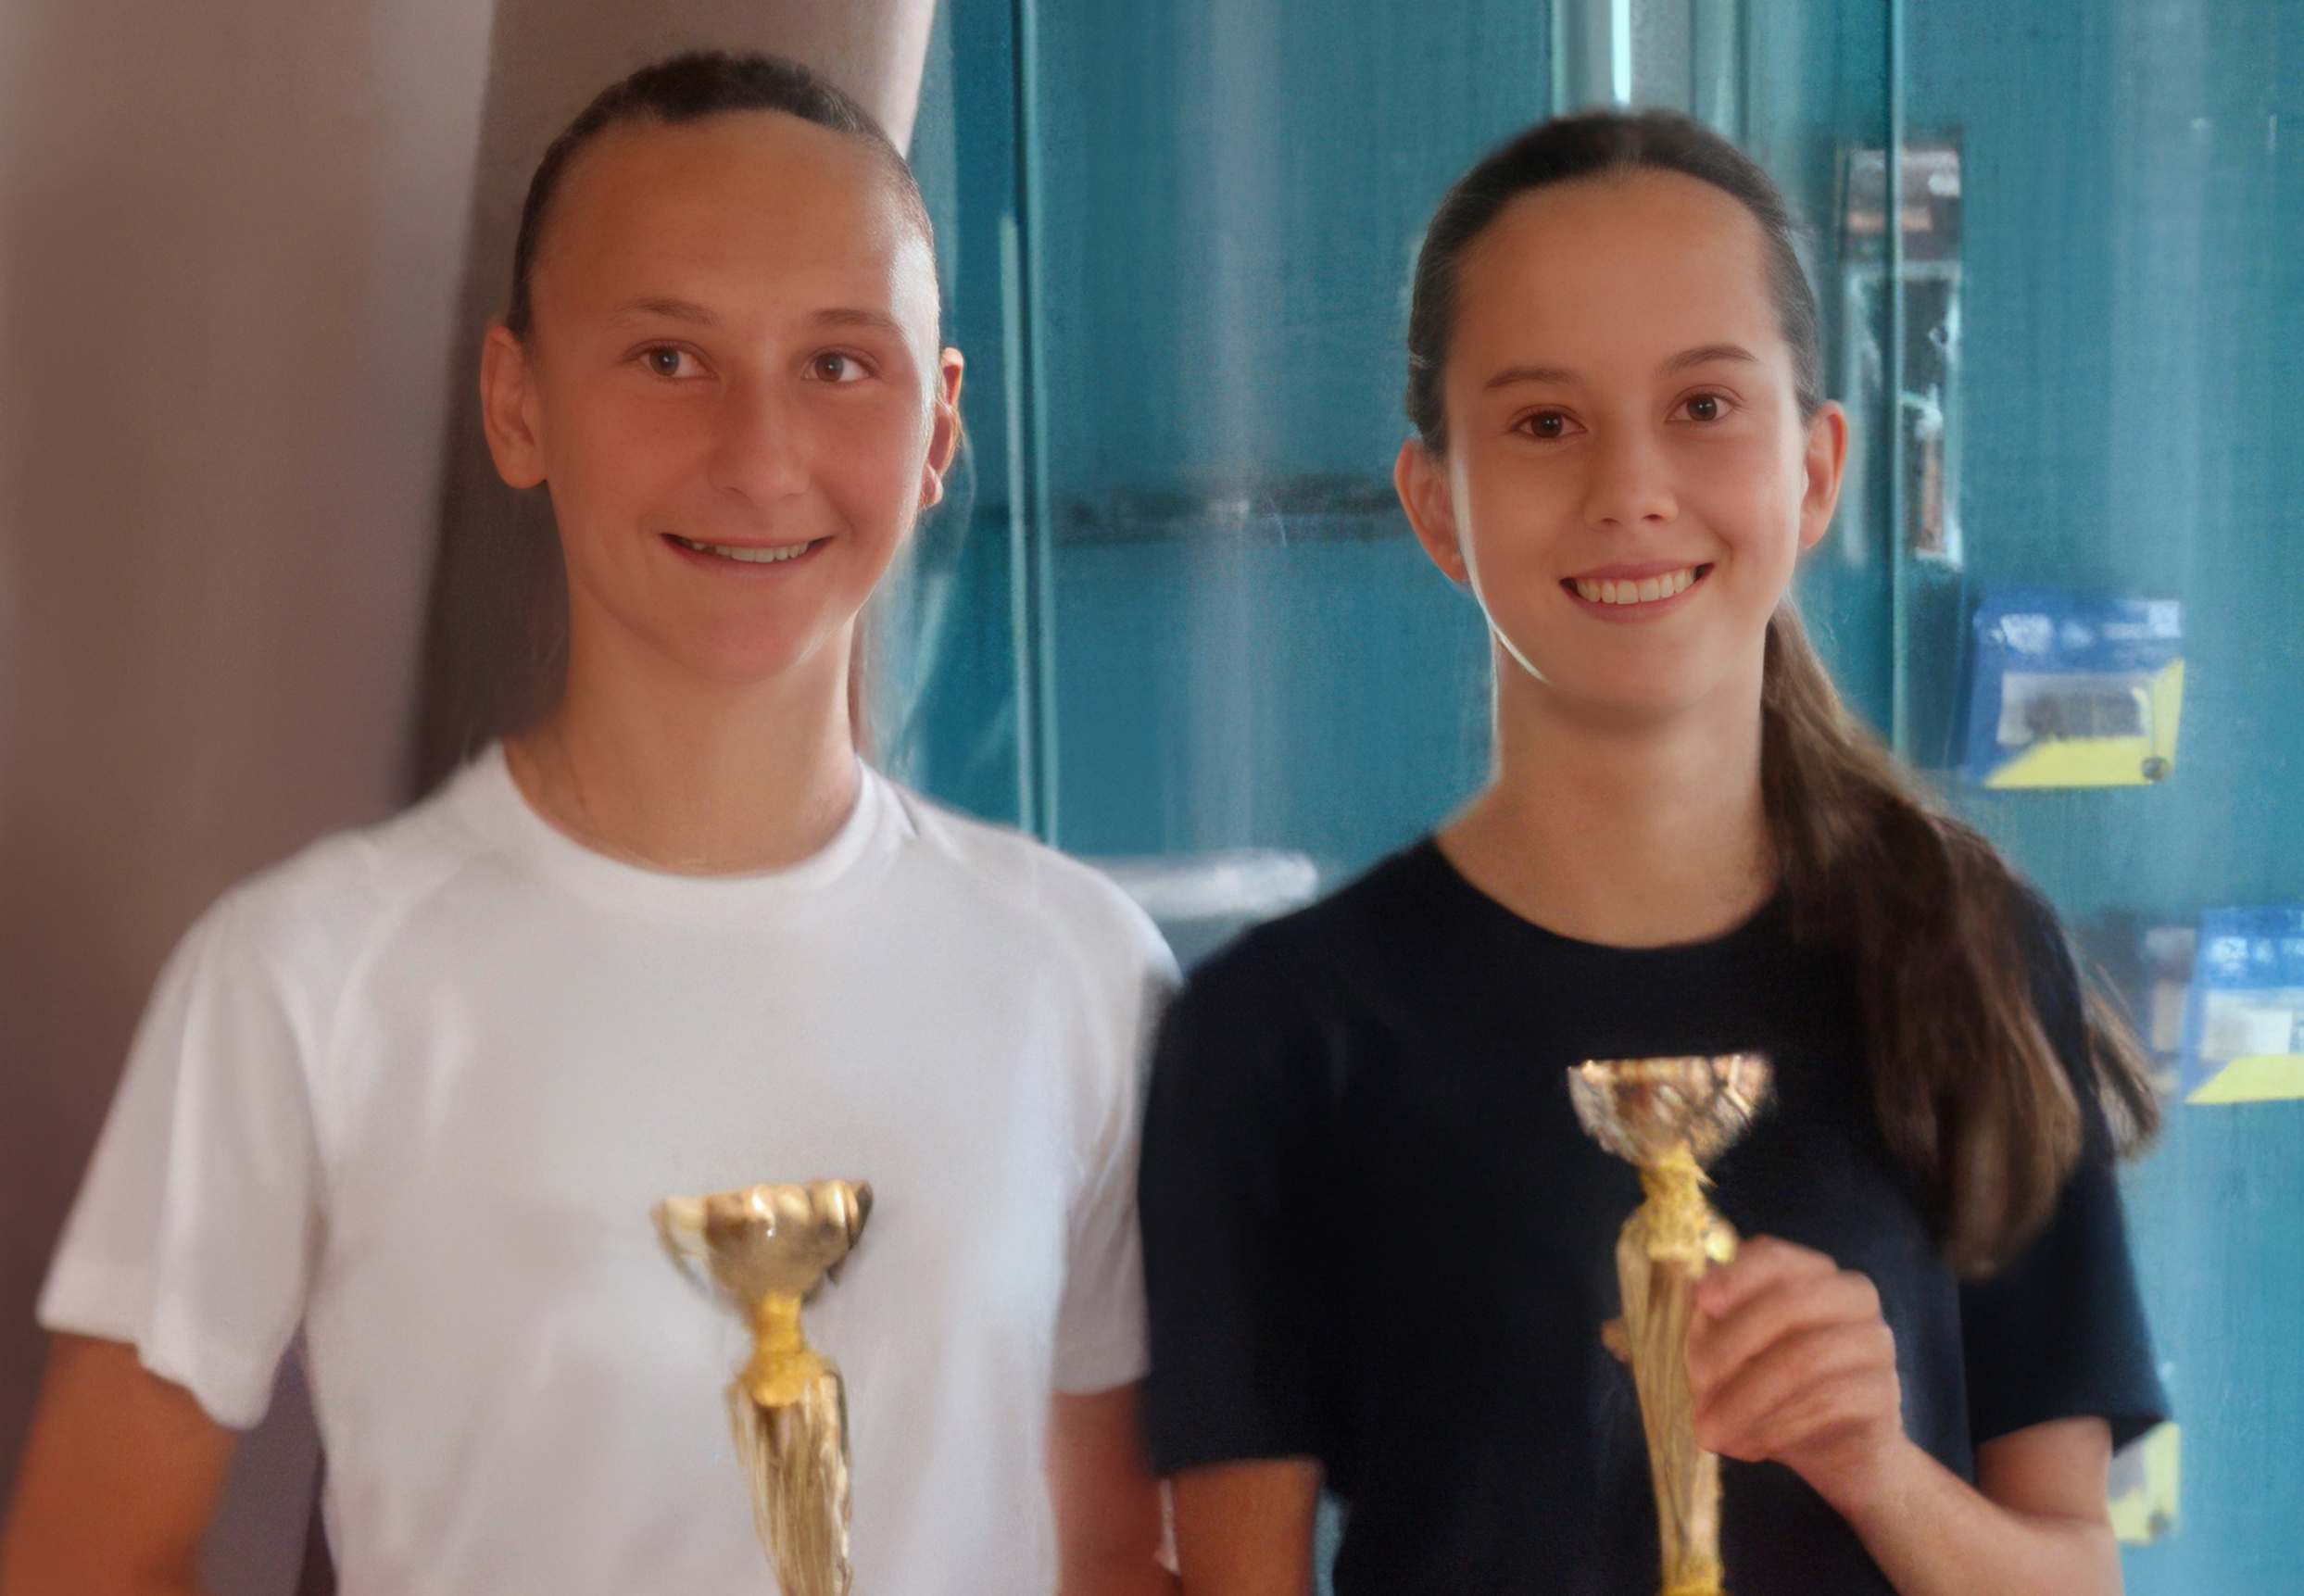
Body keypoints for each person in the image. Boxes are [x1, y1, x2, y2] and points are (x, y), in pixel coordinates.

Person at [2, 52, 1174, 1596]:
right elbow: (86, 1561)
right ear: (519, 403)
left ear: (940, 424)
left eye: (839, 364)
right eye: (668, 359)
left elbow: (1114, 1553)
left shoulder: (1082, 974)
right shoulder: (304, 979)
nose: (759, 458)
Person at [1138, 110, 2167, 1596]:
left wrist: (1877, 1467)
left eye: (1704, 406)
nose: (1631, 487)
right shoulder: (1273, 1035)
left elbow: (2074, 1574)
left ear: (1816, 470)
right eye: (1544, 423)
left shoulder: (1968, 953)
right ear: (1436, 505)